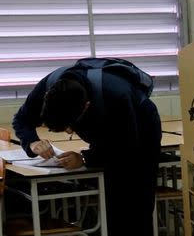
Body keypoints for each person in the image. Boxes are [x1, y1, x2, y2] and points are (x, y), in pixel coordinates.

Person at [12, 59, 162, 236]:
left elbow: (126, 149)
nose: (69, 131)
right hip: (106, 130)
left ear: (87, 106)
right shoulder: (50, 86)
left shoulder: (117, 95)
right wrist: (32, 141)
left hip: (141, 129)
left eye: (70, 126)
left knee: (134, 200)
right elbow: (21, 120)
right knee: (111, 199)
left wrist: (84, 158)